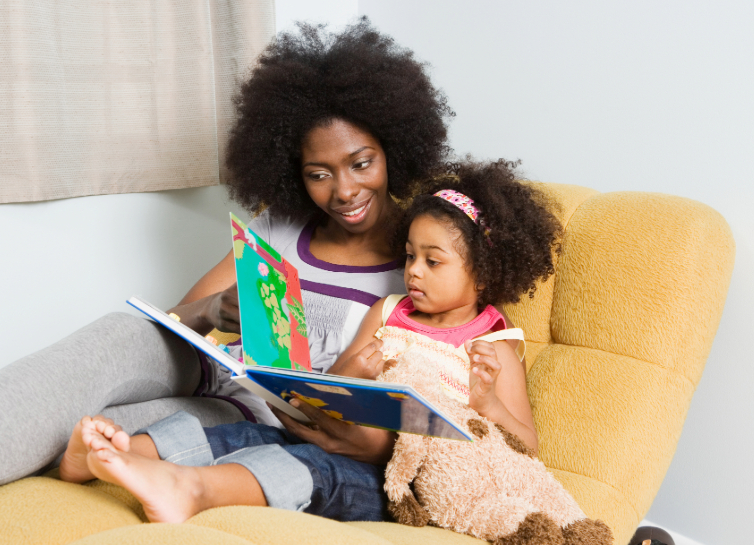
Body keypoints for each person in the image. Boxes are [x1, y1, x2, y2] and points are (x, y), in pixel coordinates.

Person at [0, 18, 455, 532]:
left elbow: (442, 405)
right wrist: (210, 312)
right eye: (318, 174)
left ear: (395, 149)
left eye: (362, 163)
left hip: (254, 429)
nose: (344, 191)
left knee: (73, 434)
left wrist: (372, 446)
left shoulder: (425, 262)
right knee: (119, 337)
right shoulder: (284, 226)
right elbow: (178, 331)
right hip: (224, 386)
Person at [53, 158, 562, 524]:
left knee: (310, 468)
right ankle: (116, 451)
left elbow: (528, 447)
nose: (413, 271)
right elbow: (329, 384)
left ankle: (191, 488)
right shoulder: (386, 313)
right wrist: (351, 375)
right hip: (336, 436)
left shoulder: (492, 347)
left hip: (398, 482)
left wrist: (488, 401)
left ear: (484, 274)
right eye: (409, 256)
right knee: (250, 436)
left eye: (433, 261)